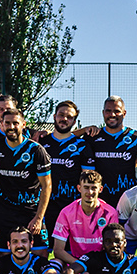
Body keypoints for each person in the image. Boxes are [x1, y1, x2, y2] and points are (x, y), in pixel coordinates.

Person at [0, 107, 52, 258]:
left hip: (31, 211)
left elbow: (47, 186)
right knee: (1, 260)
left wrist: (39, 218)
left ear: (23, 124)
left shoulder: (36, 150)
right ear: (2, 125)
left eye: (15, 123)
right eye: (7, 123)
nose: (11, 127)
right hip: (4, 212)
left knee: (40, 257)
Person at [40, 100, 93, 234]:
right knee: (42, 251)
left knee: (71, 251)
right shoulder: (41, 143)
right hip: (44, 207)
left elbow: (88, 178)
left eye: (69, 117)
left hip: (71, 207)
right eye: (61, 115)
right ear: (54, 116)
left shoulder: (82, 145)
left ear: (74, 122)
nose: (64, 119)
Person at [85, 95, 137, 207]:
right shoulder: (92, 137)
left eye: (117, 111)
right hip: (99, 201)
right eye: (108, 111)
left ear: (124, 113)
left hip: (128, 201)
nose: (112, 115)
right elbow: (66, 137)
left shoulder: (136, 137)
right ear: (103, 113)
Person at [51, 169, 121, 264]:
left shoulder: (110, 213)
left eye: (94, 188)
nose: (90, 192)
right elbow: (58, 250)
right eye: (86, 187)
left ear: (100, 189)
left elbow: (113, 247)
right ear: (79, 188)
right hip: (76, 261)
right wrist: (81, 265)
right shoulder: (66, 213)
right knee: (55, 264)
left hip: (102, 263)